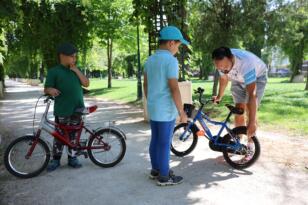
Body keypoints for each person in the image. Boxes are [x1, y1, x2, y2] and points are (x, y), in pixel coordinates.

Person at [143, 26, 189, 186]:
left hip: (154, 107)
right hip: (165, 110)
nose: (178, 48)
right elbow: (174, 87)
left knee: (155, 140)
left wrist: (151, 101)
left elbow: (146, 85)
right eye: (178, 45)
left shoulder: (149, 60)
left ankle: (156, 169)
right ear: (171, 43)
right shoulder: (170, 60)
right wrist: (181, 112)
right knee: (164, 143)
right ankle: (164, 176)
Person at [212, 47, 267, 159]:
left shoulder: (246, 63)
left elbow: (252, 94)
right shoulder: (221, 63)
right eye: (219, 68)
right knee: (238, 111)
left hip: (257, 77)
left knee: (250, 111)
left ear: (231, 58)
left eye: (225, 67)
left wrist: (251, 122)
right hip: (238, 79)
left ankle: (250, 146)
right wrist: (219, 96)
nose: (223, 70)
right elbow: (224, 79)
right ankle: (238, 142)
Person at [44, 42, 89, 171]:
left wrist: (75, 69)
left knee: (73, 135)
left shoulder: (75, 69)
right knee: (59, 136)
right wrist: (50, 90)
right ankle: (56, 159)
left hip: (77, 109)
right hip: (62, 109)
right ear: (62, 56)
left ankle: (72, 158)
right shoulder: (54, 72)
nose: (74, 59)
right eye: (72, 57)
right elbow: (46, 88)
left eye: (75, 57)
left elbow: (86, 83)